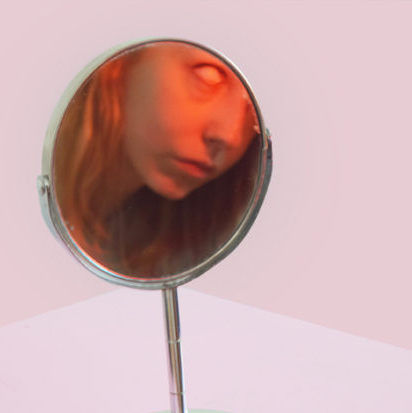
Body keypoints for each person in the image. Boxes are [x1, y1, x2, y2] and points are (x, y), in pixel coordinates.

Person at [53, 41, 261, 278]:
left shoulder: (183, 249)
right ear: (119, 63)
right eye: (208, 76)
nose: (230, 136)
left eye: (254, 109)